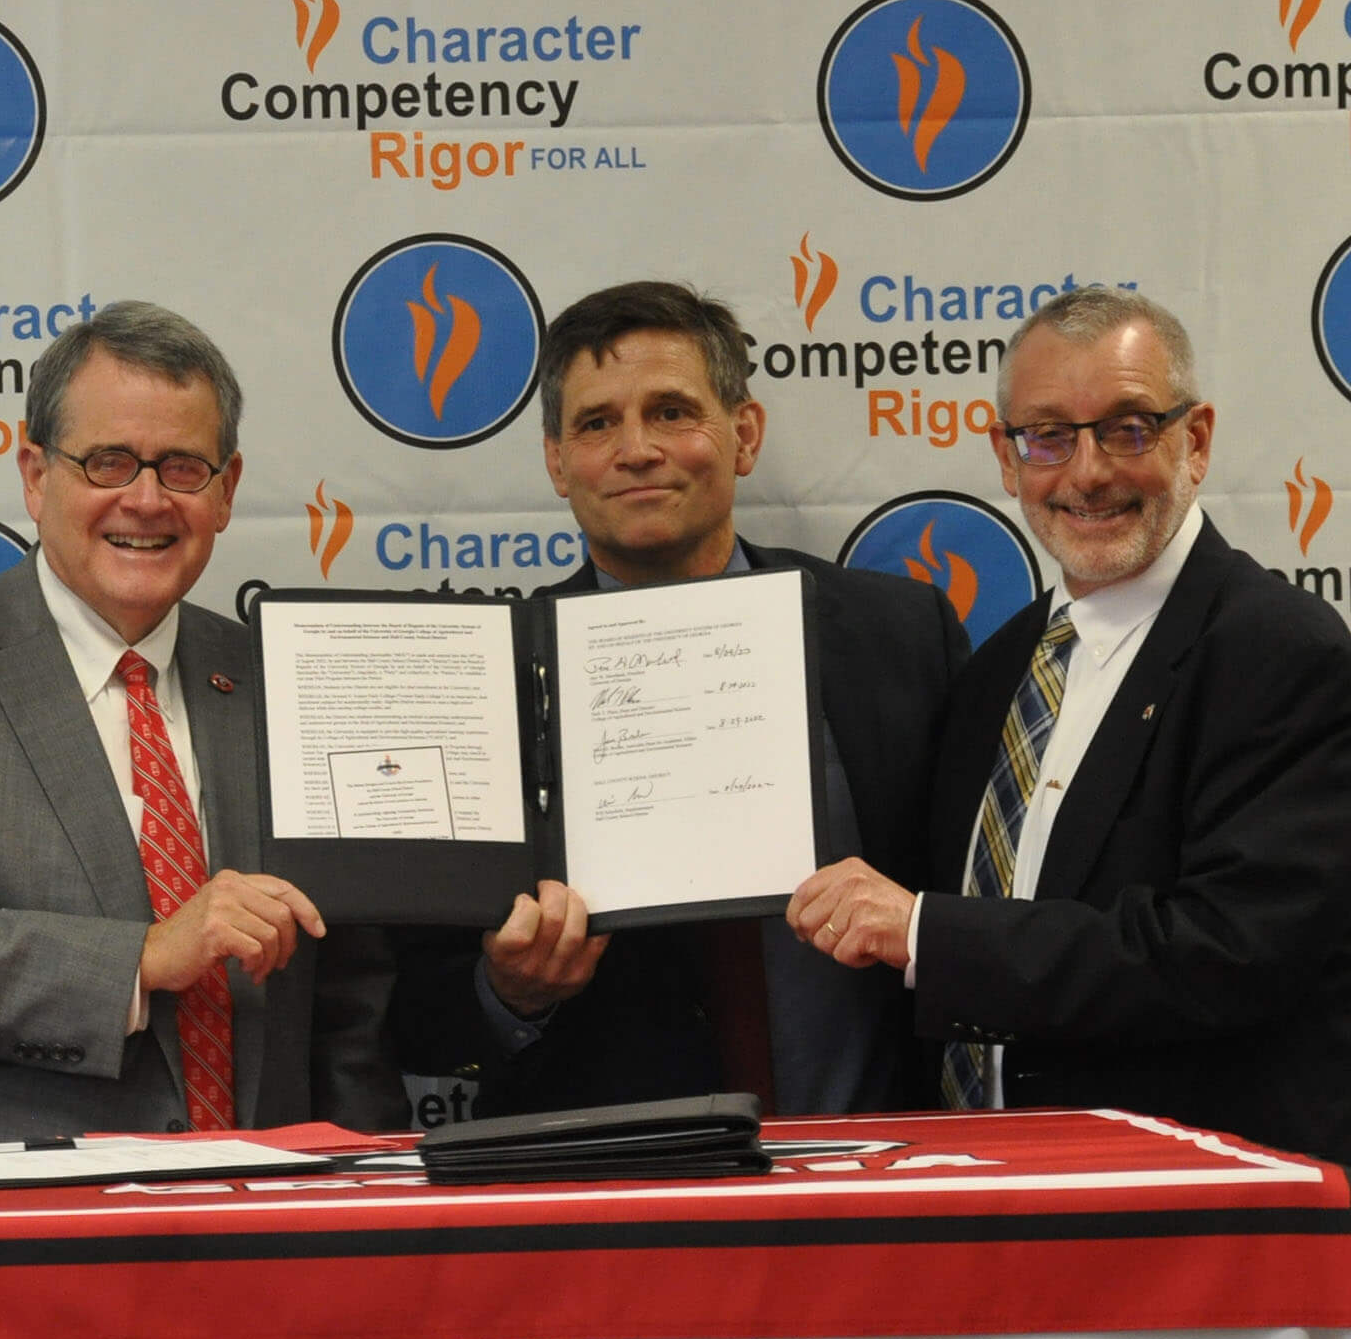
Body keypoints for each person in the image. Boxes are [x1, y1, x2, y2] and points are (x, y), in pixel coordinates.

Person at [783, 285, 1351, 1199]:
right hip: (1005, 1217)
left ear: (1196, 438)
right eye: (1048, 436)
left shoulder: (1278, 652)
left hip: (1219, 1241)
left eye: (1128, 428)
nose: (1086, 472)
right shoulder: (995, 674)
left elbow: (1222, 956)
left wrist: (923, 931)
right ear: (1005, 457)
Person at [0, 300, 405, 1152]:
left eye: (183, 468)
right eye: (108, 462)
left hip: (266, 1234)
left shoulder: (286, 682)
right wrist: (137, 961)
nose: (145, 500)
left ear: (226, 491)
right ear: (35, 474)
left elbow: (347, 1002)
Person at [394, 280, 970, 1116]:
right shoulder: (489, 678)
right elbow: (411, 1009)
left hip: (878, 1178)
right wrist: (510, 991)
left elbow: (983, 908)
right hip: (614, 1202)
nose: (637, 450)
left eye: (672, 411)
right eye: (598, 423)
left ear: (745, 433)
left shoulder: (899, 634)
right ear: (557, 461)